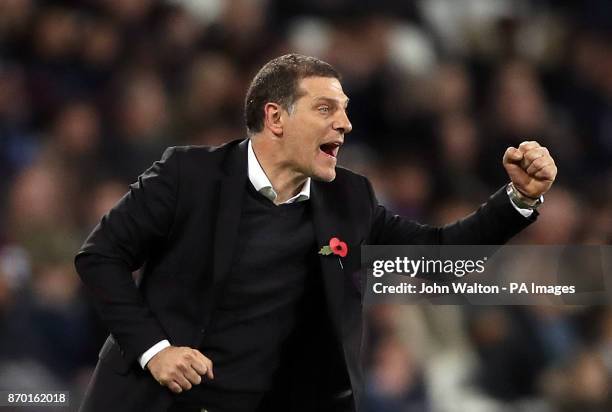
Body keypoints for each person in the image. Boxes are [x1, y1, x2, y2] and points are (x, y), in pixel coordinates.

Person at [75, 54, 557, 412]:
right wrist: (155, 351)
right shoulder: (188, 176)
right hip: (152, 401)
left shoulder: (350, 199)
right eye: (326, 109)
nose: (345, 124)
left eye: (345, 110)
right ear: (275, 117)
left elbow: (436, 254)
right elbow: (101, 256)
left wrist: (517, 200)